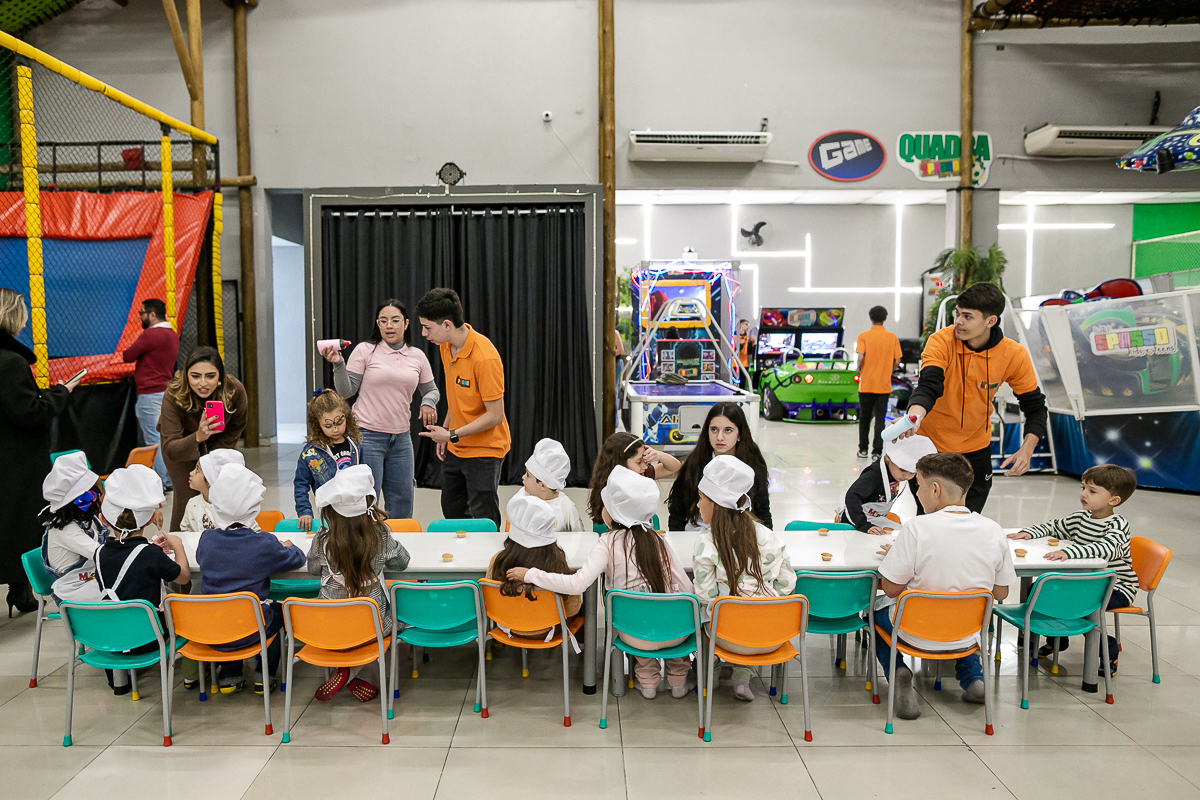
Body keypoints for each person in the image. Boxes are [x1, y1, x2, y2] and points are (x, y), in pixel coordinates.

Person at [508, 466, 694, 699]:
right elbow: (687, 588)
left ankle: (647, 684)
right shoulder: (659, 541)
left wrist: (529, 574)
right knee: (667, 614)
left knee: (637, 618)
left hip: (632, 633)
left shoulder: (606, 543)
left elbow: (576, 584)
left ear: (613, 513)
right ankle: (678, 683)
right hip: (675, 633)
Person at [873, 452, 1015, 720]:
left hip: (914, 633)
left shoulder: (917, 528)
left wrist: (898, 557)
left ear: (935, 489)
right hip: (966, 634)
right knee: (962, 611)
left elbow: (891, 589)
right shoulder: (993, 529)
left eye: (919, 486)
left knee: (874, 612)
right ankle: (974, 679)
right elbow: (1001, 593)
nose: (917, 493)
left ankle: (898, 672)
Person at [901, 282, 1047, 513]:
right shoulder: (940, 341)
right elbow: (929, 385)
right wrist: (914, 416)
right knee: (929, 519)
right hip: (930, 444)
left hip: (975, 448)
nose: (958, 321)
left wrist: (1026, 450)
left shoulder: (1013, 355)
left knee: (968, 518)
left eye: (967, 316)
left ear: (990, 321)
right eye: (957, 313)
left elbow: (1035, 407)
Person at [1009, 464, 1137, 676]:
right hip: (1084, 584)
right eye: (1083, 487)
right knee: (1040, 591)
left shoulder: (1117, 524)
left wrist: (1071, 553)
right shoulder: (1081, 518)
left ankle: (1108, 648)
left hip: (1116, 588)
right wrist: (1029, 533)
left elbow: (1107, 549)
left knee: (1079, 610)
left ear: (1114, 500)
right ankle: (1058, 640)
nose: (1083, 494)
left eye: (1092, 491)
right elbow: (1055, 526)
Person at [692, 455, 796, 702]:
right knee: (751, 608)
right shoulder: (770, 536)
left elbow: (705, 595)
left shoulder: (706, 543)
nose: (698, 505)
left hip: (729, 638)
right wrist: (763, 605)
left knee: (704, 611)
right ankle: (742, 678)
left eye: (701, 498)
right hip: (772, 636)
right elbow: (788, 582)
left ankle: (712, 672)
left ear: (716, 503)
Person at [196, 463, 306, 694]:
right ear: (254, 507)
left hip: (211, 629)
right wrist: (287, 545)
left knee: (226, 609)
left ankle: (230, 675)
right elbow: (297, 559)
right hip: (252, 628)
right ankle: (264, 673)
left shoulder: (207, 539)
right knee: (277, 612)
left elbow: (201, 559)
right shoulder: (263, 543)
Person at [325, 300, 439, 520]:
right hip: (367, 436)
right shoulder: (365, 350)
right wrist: (338, 363)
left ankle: (397, 549)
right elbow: (346, 391)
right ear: (377, 324)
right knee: (367, 501)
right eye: (383, 321)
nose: (389, 326)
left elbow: (432, 390)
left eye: (395, 320)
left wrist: (428, 402)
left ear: (406, 324)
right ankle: (368, 550)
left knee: (402, 502)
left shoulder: (417, 356)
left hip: (401, 440)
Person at [306, 464, 411, 701]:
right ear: (369, 507)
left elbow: (313, 569)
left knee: (347, 627)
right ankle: (350, 673)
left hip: (328, 625)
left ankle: (346, 672)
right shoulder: (379, 536)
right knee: (400, 620)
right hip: (369, 625)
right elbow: (402, 562)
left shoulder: (322, 539)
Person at [0, 288, 73, 616]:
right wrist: (60, 395)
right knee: (20, 522)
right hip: (16, 459)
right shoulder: (11, 361)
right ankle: (21, 588)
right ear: (14, 316)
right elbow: (27, 413)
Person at [416, 288, 511, 528]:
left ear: (447, 324)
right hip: (457, 446)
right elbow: (457, 395)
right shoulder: (445, 346)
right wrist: (446, 431)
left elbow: (495, 416)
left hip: (485, 450)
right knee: (452, 509)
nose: (423, 333)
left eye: (428, 327)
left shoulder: (485, 357)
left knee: (483, 516)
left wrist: (451, 435)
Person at [94, 465, 189, 694]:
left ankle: (121, 684)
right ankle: (194, 678)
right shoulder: (151, 554)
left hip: (111, 637)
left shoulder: (99, 553)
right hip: (149, 637)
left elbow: (129, 568)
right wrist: (178, 546)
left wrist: (151, 551)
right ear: (149, 520)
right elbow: (184, 578)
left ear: (103, 520)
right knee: (186, 612)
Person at [159, 346, 248, 532]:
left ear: (220, 376)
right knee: (187, 497)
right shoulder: (173, 395)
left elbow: (236, 426)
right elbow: (170, 448)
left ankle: (226, 540)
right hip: (182, 444)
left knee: (222, 492)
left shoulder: (234, 390)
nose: (203, 383)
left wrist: (214, 459)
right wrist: (198, 436)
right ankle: (179, 544)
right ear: (186, 376)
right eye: (195, 376)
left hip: (220, 442)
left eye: (210, 375)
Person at [488, 494, 581, 637]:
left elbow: (489, 598)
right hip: (549, 630)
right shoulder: (557, 563)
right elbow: (572, 608)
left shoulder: (498, 561)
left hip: (509, 628)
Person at [668, 403, 772, 531]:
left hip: (740, 538)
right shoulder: (694, 463)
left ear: (739, 434)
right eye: (714, 429)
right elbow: (677, 514)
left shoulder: (753, 466)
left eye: (728, 430)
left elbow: (763, 513)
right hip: (696, 536)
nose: (719, 437)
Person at [122, 298, 179, 489]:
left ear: (152, 315)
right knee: (164, 437)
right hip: (164, 392)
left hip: (150, 394)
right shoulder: (172, 334)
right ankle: (168, 479)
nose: (140, 316)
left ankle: (160, 482)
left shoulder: (150, 335)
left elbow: (127, 356)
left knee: (154, 440)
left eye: (142, 313)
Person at [40, 451, 108, 602]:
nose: (103, 497)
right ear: (84, 500)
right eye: (99, 493)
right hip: (73, 592)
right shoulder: (65, 530)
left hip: (91, 581)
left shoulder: (88, 520)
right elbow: (102, 555)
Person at [835, 435, 938, 533]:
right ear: (887, 459)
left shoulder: (895, 471)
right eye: (902, 470)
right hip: (855, 518)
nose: (906, 476)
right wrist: (863, 525)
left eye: (912, 473)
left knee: (903, 532)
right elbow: (852, 495)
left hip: (875, 517)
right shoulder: (873, 475)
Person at [294, 390, 364, 531]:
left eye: (339, 422)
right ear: (317, 424)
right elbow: (301, 484)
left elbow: (365, 478)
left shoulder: (355, 444)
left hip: (356, 511)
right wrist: (304, 512)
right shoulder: (310, 453)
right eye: (328, 426)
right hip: (329, 514)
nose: (336, 429)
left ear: (347, 417)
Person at [585, 432, 681, 527]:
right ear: (620, 463)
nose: (645, 466)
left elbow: (674, 467)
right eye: (639, 462)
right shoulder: (609, 487)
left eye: (645, 461)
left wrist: (660, 455)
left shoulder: (642, 475)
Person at [855, 305, 902, 460]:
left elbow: (861, 356)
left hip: (866, 385)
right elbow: (897, 361)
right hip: (883, 386)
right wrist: (887, 367)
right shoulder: (892, 337)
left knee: (865, 418)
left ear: (871, 318)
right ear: (885, 318)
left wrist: (859, 367)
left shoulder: (863, 336)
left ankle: (862, 450)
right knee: (880, 419)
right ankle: (877, 452)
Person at [514, 438, 586, 532]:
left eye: (528, 475)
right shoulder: (523, 495)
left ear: (543, 486)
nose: (523, 477)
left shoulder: (566, 507)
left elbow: (581, 538)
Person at [180, 449, 251, 533]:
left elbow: (252, 533)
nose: (191, 473)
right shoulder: (193, 503)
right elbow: (186, 531)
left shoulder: (235, 508)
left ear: (211, 479)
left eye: (197, 470)